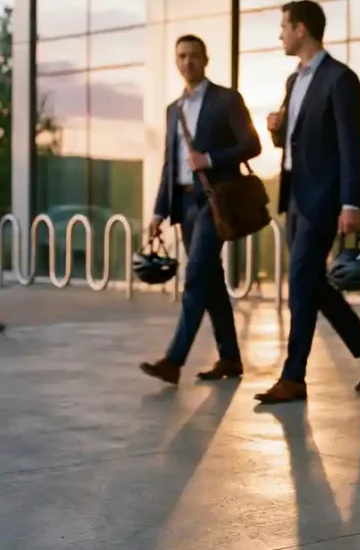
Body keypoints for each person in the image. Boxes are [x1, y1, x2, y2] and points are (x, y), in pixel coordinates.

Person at [255, 1, 360, 404]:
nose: (280, 34)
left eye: (284, 26)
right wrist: (275, 132)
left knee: (300, 282)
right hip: (294, 195)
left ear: (301, 29)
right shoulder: (293, 81)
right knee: (312, 282)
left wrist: (351, 203)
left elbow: (350, 145)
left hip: (325, 198)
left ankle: (294, 376)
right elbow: (294, 142)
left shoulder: (340, 79)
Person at [139, 34, 262, 385]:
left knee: (195, 277)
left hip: (215, 200)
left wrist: (210, 158)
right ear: (176, 62)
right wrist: (159, 212)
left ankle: (173, 361)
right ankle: (230, 359)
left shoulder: (226, 100)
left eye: (193, 55)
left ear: (206, 60)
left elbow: (252, 144)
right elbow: (169, 164)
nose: (187, 61)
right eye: (181, 56)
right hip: (184, 205)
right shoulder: (173, 110)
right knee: (211, 282)